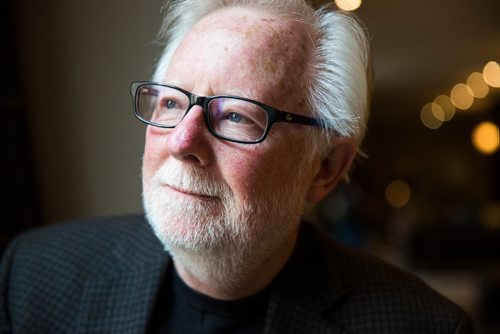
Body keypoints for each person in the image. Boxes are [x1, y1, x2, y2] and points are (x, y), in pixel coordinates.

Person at [0, 0, 473, 333]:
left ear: (325, 168)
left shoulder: (420, 324)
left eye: (235, 116)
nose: (183, 142)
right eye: (170, 102)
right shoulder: (34, 272)